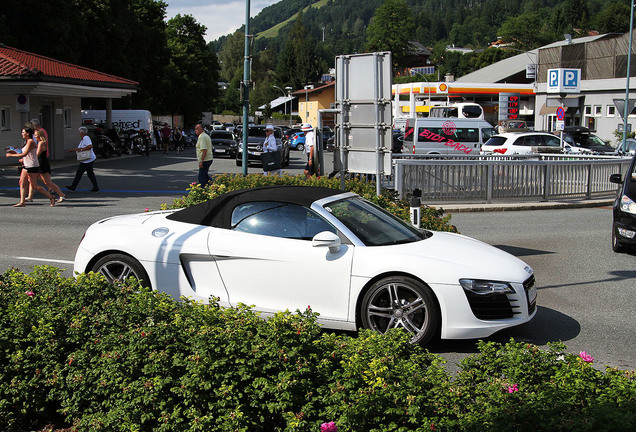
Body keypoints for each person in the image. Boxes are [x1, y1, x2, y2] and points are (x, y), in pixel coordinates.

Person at [5, 127, 56, 207]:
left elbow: (24, 154)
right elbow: (24, 152)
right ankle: (22, 202)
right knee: (22, 182)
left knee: (34, 186)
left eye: (23, 132)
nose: (22, 134)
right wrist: (14, 151)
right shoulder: (27, 141)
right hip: (26, 164)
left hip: (32, 165)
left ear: (27, 133)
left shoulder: (31, 142)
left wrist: (11, 155)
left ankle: (51, 197)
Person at [26, 129, 67, 203]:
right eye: (34, 135)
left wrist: (27, 155)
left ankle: (62, 195)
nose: (34, 136)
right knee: (32, 180)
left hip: (42, 165)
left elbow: (37, 154)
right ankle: (30, 196)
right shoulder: (39, 143)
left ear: (39, 136)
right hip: (39, 164)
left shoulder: (41, 143)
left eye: (36, 135)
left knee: (48, 182)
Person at [66, 126, 99, 192]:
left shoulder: (86, 138)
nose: (79, 133)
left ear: (81, 132)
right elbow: (81, 147)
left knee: (80, 172)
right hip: (88, 159)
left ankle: (73, 186)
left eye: (79, 132)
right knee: (89, 173)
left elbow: (90, 146)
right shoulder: (84, 139)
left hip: (87, 159)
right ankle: (95, 187)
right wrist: (72, 150)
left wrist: (81, 150)